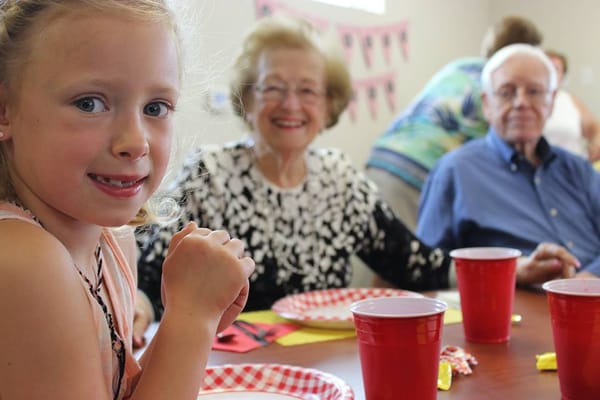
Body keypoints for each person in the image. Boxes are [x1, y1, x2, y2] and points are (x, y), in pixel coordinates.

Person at [0, 1, 254, 399]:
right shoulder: (21, 259)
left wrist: (188, 320)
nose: (135, 142)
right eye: (90, 103)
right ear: (4, 111)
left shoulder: (114, 240)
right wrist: (191, 320)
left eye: (156, 108)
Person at [136, 15, 454, 324]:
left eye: (307, 90)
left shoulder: (340, 179)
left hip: (325, 366)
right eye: (273, 88)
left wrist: (492, 272)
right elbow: (147, 273)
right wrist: (141, 305)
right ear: (248, 98)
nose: (290, 104)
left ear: (329, 103)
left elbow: (414, 264)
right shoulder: (210, 173)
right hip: (234, 365)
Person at [417, 43, 599, 282]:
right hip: (517, 305)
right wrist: (511, 272)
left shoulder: (579, 170)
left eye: (534, 91)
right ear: (486, 104)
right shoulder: (454, 171)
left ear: (551, 101)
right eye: (506, 92)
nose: (521, 102)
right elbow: (425, 268)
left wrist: (590, 278)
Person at [365, 15, 543, 231]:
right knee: (404, 257)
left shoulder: (460, 66)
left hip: (381, 157)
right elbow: (500, 157)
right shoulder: (495, 88)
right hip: (417, 173)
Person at [543, 49, 600, 162]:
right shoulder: (527, 102)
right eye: (546, 68)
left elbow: (594, 128)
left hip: (573, 168)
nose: (551, 73)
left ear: (562, 76)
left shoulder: (570, 100)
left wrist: (597, 142)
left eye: (556, 69)